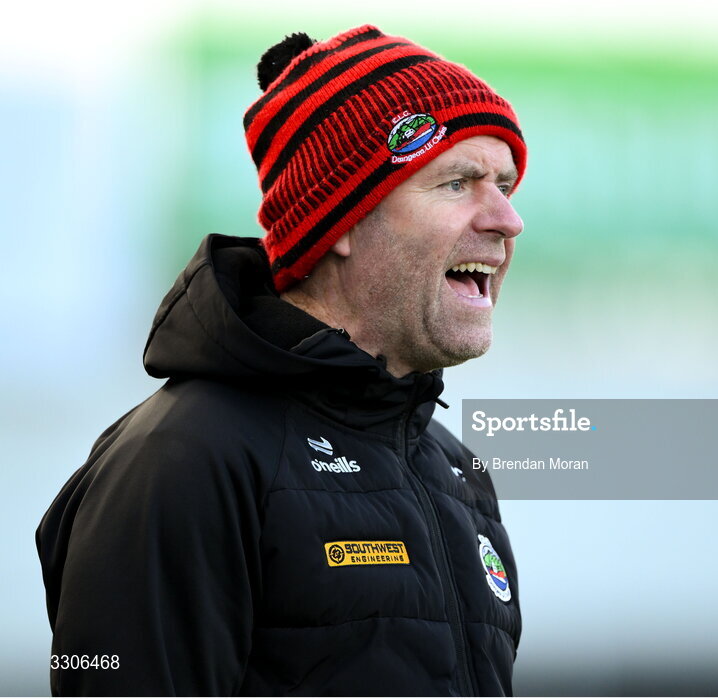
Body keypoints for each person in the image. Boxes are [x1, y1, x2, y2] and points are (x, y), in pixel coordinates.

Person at [36, 25, 525, 696]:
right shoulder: (181, 458)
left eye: (505, 183)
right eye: (458, 183)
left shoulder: (455, 472)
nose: (506, 217)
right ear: (343, 221)